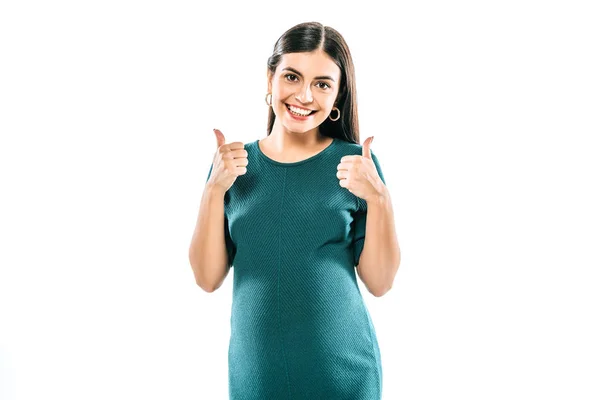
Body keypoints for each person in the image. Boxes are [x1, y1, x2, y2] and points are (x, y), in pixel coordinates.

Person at [189, 21, 401, 400]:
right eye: (292, 76)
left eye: (322, 84)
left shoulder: (356, 165)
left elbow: (380, 282)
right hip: (256, 379)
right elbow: (207, 278)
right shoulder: (233, 164)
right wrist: (213, 190)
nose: (304, 95)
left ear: (337, 97)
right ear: (270, 78)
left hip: (342, 377)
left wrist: (380, 200)